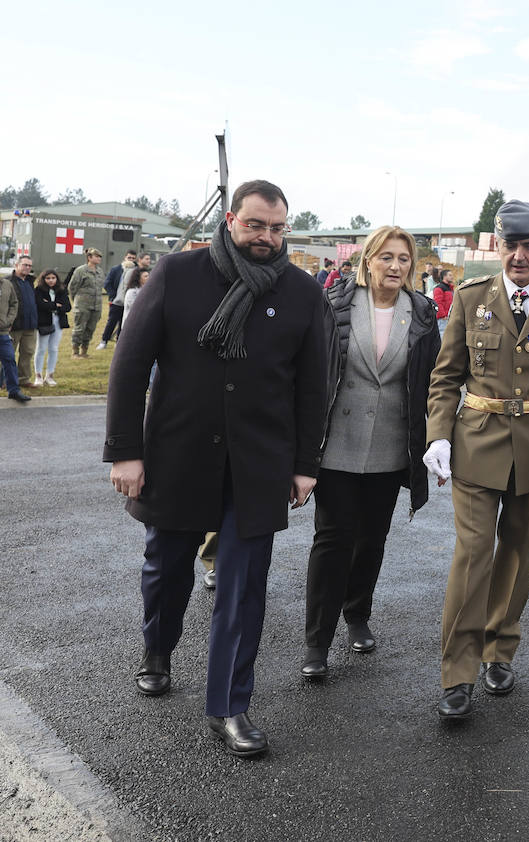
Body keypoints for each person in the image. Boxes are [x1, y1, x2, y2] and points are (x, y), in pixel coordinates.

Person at [104, 179, 331, 757]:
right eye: (257, 225)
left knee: (243, 587)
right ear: (231, 220)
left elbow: (313, 388)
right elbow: (130, 367)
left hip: (259, 463)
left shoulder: (304, 293)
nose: (268, 237)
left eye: (278, 228)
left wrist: (306, 465)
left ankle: (230, 706)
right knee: (167, 568)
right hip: (177, 454)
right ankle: (158, 649)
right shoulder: (179, 275)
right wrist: (126, 451)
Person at [422, 199, 529, 721]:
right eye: (509, 245)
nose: (518, 255)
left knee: (518, 552)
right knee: (473, 554)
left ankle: (500, 648)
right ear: (497, 246)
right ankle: (458, 672)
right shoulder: (472, 297)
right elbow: (446, 375)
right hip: (477, 443)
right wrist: (438, 435)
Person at [301, 226, 441, 679]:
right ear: (367, 261)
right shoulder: (336, 304)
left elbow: (434, 382)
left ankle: (357, 614)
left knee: (372, 539)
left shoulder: (420, 312)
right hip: (336, 446)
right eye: (386, 257)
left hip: (391, 447)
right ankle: (317, 641)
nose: (395, 266)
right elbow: (310, 370)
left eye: (404, 259)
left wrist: (438, 439)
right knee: (333, 539)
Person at [99, 251, 151, 349]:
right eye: (129, 257)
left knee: (123, 324)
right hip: (118, 301)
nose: (130, 260)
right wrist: (113, 296)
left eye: (132, 258)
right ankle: (104, 341)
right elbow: (109, 283)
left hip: (128, 302)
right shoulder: (118, 269)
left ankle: (119, 342)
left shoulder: (139, 271)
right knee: (112, 322)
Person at [32, 269, 71, 387]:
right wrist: (56, 305)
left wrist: (52, 306)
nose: (51, 280)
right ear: (43, 279)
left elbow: (67, 307)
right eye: (48, 278)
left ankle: (49, 375)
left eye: (53, 278)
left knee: (53, 348)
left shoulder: (62, 290)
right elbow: (40, 304)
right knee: (41, 348)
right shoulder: (38, 290)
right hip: (44, 322)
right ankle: (38, 375)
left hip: (58, 321)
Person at [67, 248, 104, 358]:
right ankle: (75, 351)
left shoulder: (100, 271)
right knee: (79, 328)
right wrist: (77, 300)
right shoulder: (81, 270)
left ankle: (84, 351)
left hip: (96, 305)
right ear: (89, 258)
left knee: (90, 329)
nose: (98, 259)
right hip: (83, 305)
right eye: (96, 256)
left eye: (99, 257)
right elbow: (72, 287)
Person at [1, 269, 30, 402]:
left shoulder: (6, 284)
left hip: (3, 332)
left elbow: (14, 303)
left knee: (10, 359)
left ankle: (13, 390)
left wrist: (9, 320)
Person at [9, 256, 38, 386]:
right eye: (25, 265)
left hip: (30, 325)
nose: (27, 268)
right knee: (8, 354)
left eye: (29, 266)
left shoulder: (30, 282)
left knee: (27, 352)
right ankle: (4, 379)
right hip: (13, 325)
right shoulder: (7, 282)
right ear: (17, 265)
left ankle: (23, 379)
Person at [432, 268, 455, 335]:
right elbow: (438, 303)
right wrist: (443, 316)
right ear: (444, 277)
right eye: (450, 275)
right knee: (442, 336)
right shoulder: (439, 288)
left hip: (449, 317)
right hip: (443, 319)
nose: (452, 277)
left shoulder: (450, 288)